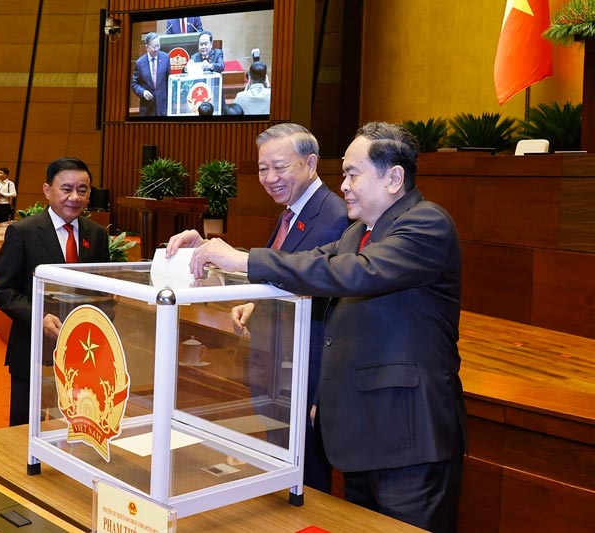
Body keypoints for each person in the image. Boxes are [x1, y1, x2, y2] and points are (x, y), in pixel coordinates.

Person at [167, 122, 467, 532]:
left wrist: (244, 260)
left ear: (394, 178)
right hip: (363, 437)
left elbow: (353, 273)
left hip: (409, 439)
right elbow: (305, 264)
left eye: (352, 174)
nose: (343, 186)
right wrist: (218, 255)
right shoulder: (358, 232)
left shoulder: (427, 223)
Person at [168, 123, 348, 494]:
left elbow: (321, 287)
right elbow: (282, 273)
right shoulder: (291, 212)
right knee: (280, 472)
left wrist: (320, 395)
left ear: (311, 163)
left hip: (305, 374)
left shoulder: (334, 217)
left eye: (280, 167)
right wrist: (253, 298)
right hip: (277, 370)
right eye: (263, 168)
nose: (269, 178)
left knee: (306, 482)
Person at [0, 156, 111, 426]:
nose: (75, 197)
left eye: (82, 190)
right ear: (47, 190)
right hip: (34, 351)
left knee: (75, 425)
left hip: (83, 353)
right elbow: (2, 290)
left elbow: (102, 292)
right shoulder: (23, 232)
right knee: (25, 428)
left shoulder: (97, 234)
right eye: (66, 189)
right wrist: (39, 317)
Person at [131, 32, 171, 117]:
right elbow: (134, 84)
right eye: (154, 47)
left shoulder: (166, 58)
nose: (156, 49)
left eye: (158, 46)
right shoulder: (140, 63)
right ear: (147, 47)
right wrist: (143, 92)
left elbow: (169, 81)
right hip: (147, 109)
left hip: (163, 107)